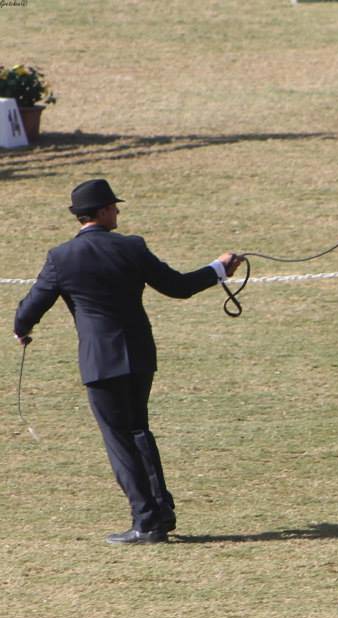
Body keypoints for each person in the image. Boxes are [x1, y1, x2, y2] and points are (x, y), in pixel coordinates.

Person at [13, 178, 241, 545]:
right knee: (138, 431)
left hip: (100, 361)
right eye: (114, 207)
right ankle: (160, 511)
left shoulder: (61, 257)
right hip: (140, 354)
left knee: (120, 440)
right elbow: (178, 286)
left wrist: (22, 329)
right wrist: (218, 268)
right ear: (102, 212)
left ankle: (146, 521)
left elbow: (32, 306)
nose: (118, 211)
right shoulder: (131, 247)